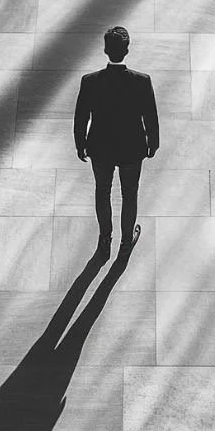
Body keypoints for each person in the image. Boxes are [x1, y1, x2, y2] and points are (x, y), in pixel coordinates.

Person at [73, 26, 159, 260]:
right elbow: (150, 115)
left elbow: (82, 116)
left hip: (100, 148)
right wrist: (153, 142)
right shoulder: (141, 81)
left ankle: (105, 239)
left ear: (105, 50)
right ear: (127, 50)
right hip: (132, 148)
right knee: (130, 194)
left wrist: (80, 143)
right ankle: (125, 240)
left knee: (103, 191)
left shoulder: (90, 82)